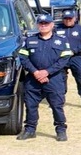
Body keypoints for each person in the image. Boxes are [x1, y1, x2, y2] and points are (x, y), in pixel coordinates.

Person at [16, 13, 73, 142]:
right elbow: (23, 57)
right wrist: (35, 72)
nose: (43, 26)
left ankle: (61, 130)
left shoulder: (62, 40)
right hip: (33, 78)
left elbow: (64, 59)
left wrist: (47, 72)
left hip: (54, 79)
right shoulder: (29, 40)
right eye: (41, 24)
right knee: (30, 105)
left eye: (46, 23)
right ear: (37, 25)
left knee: (56, 105)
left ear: (52, 25)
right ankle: (30, 130)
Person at [55, 9, 81, 109]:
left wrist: (74, 51)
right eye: (65, 19)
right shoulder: (56, 29)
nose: (67, 21)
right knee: (60, 80)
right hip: (61, 58)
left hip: (76, 57)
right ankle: (59, 101)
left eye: (70, 19)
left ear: (75, 18)